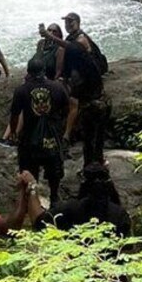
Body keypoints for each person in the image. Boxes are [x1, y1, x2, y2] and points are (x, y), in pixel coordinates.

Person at [23, 163, 132, 282]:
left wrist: (31, 186)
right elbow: (128, 252)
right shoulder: (120, 214)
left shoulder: (70, 209)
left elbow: (38, 222)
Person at [42, 14, 111, 167]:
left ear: (78, 23)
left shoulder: (81, 39)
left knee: (82, 112)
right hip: (80, 79)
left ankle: (71, 141)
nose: (68, 24)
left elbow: (72, 48)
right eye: (66, 22)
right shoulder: (71, 38)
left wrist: (50, 37)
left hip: (90, 82)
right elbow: (67, 58)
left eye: (71, 21)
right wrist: (63, 77)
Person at [8, 58, 70, 202]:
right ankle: (54, 196)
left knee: (29, 168)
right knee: (54, 167)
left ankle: (30, 197)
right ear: (44, 71)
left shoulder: (22, 90)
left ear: (28, 72)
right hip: (52, 134)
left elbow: (15, 114)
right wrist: (59, 126)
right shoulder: (58, 87)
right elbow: (66, 109)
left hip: (29, 136)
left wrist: (13, 132)